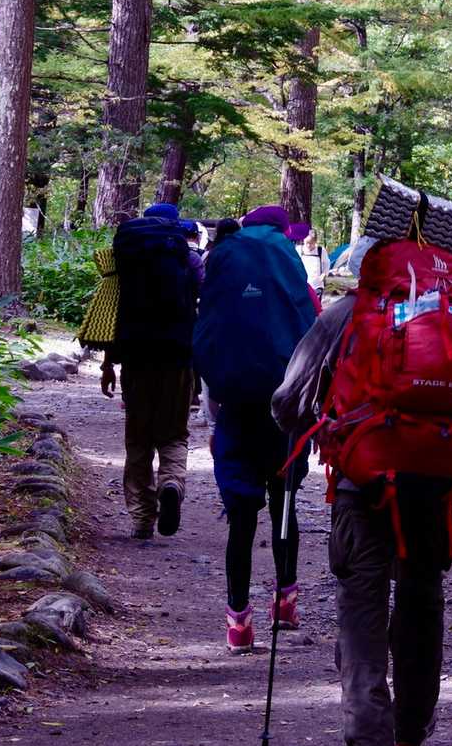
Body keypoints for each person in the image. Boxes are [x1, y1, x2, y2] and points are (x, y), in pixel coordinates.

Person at [272, 239, 452, 746]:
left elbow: (288, 401)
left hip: (362, 482)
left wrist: (319, 422)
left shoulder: (348, 313)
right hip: (434, 483)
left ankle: (367, 731)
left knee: (362, 607)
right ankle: (413, 726)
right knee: (422, 601)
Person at [194, 204, 318, 653]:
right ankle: (285, 603)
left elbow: (207, 343)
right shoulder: (298, 285)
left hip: (235, 410)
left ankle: (238, 623)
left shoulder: (223, 270)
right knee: (285, 507)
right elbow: (313, 350)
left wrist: (213, 416)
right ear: (285, 239)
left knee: (242, 520)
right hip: (284, 414)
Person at [100, 202, 200, 540]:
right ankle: (171, 483)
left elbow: (111, 312)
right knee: (174, 434)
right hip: (178, 358)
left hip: (136, 358)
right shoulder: (188, 259)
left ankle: (142, 518)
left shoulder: (125, 258)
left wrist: (108, 364)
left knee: (138, 439)